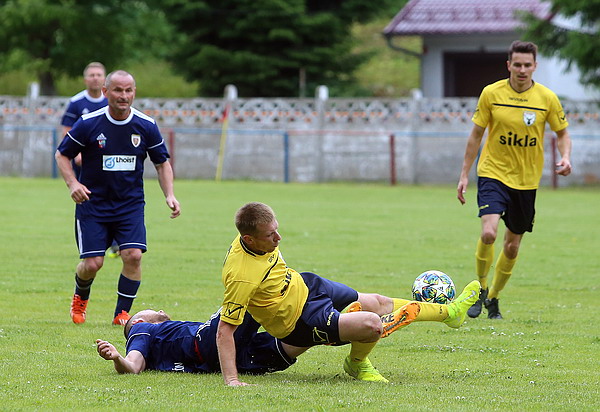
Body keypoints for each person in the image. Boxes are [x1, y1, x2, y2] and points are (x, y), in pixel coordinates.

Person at [217, 202, 481, 385]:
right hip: (300, 322)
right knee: (372, 324)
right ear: (249, 240)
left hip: (309, 286)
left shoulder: (257, 238)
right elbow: (224, 331)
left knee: (378, 302)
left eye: (276, 229)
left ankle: (451, 313)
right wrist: (231, 380)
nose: (278, 238)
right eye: (270, 235)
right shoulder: (241, 276)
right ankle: (356, 363)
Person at [55, 70, 181, 326]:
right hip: (92, 204)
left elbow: (162, 163)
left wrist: (169, 194)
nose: (123, 96)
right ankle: (80, 297)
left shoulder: (146, 125)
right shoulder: (89, 123)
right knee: (93, 264)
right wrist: (73, 184)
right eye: (118, 90)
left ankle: (122, 313)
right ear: (105, 92)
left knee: (133, 256)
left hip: (129, 205)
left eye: (128, 90)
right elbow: (62, 154)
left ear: (134, 93)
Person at [457, 40, 572, 320]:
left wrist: (566, 157)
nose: (522, 70)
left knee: (512, 245)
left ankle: (494, 297)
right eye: (517, 64)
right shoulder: (491, 93)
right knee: (489, 233)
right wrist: (464, 175)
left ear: (535, 66)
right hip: (492, 173)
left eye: (527, 65)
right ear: (508, 65)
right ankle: (481, 288)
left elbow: (562, 134)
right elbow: (476, 135)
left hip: (526, 181)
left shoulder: (546, 98)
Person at [96, 309, 296, 375]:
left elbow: (135, 367)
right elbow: (133, 365)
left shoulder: (154, 352)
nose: (160, 310)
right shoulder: (141, 329)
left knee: (296, 341)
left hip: (224, 361)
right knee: (251, 294)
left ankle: (314, 330)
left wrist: (118, 359)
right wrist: (117, 358)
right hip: (206, 342)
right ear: (138, 321)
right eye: (152, 310)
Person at [59, 62, 119, 258]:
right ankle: (93, 240)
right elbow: (67, 131)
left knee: (115, 193)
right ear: (85, 79)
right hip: (84, 163)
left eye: (99, 74)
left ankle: (116, 240)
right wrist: (77, 154)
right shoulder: (76, 102)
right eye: (92, 75)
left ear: (105, 79)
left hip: (109, 161)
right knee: (88, 197)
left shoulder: (111, 100)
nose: (95, 78)